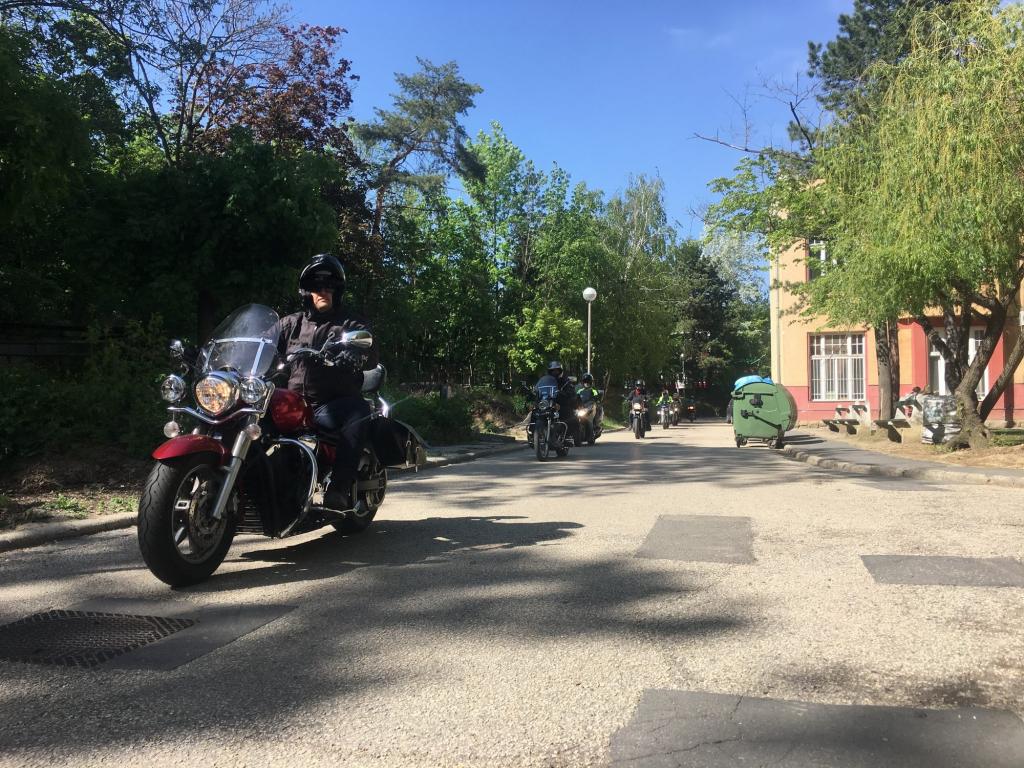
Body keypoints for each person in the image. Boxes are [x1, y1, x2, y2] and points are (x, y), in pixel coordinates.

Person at [276, 254, 379, 511]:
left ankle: (339, 487)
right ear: (306, 291)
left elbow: (369, 351)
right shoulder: (289, 324)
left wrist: (355, 353)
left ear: (337, 291)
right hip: (292, 404)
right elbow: (260, 345)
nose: (324, 291)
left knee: (358, 411)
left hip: (330, 405)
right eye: (317, 286)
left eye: (330, 286)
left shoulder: (349, 323)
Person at [546, 360, 581, 444]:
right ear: (550, 372)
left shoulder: (566, 381)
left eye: (556, 370)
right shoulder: (547, 381)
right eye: (553, 371)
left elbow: (571, 392)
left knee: (569, 414)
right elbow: (540, 388)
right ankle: (534, 432)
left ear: (560, 371)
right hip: (547, 404)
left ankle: (567, 436)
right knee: (535, 412)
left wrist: (564, 393)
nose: (555, 372)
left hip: (561, 404)